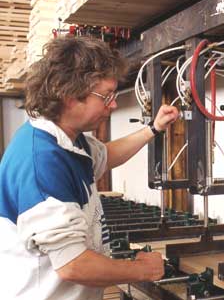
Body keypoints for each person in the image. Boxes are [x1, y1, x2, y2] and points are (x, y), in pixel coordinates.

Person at [0, 36, 179, 300]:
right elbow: (73, 265)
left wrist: (154, 129)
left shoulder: (67, 139)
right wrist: (141, 270)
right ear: (69, 95)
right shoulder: (41, 162)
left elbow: (106, 155)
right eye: (106, 96)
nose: (114, 105)